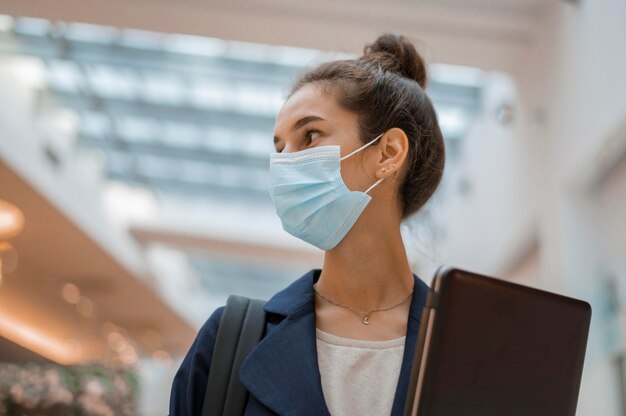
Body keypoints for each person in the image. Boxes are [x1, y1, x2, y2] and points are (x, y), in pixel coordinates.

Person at [169, 33, 446, 416]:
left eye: (310, 135)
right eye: (279, 148)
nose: (285, 164)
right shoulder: (229, 341)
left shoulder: (468, 345)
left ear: (388, 152)